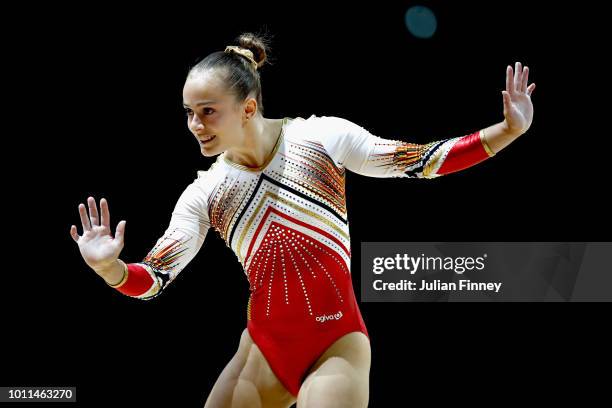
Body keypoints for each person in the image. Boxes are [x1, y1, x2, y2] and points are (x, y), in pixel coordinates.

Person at [70, 32, 535, 408]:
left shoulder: (321, 140)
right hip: (262, 352)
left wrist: (506, 131)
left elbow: (417, 160)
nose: (195, 124)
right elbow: (154, 277)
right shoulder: (205, 193)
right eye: (189, 113)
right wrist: (109, 268)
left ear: (248, 107)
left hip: (336, 343)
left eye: (208, 111)